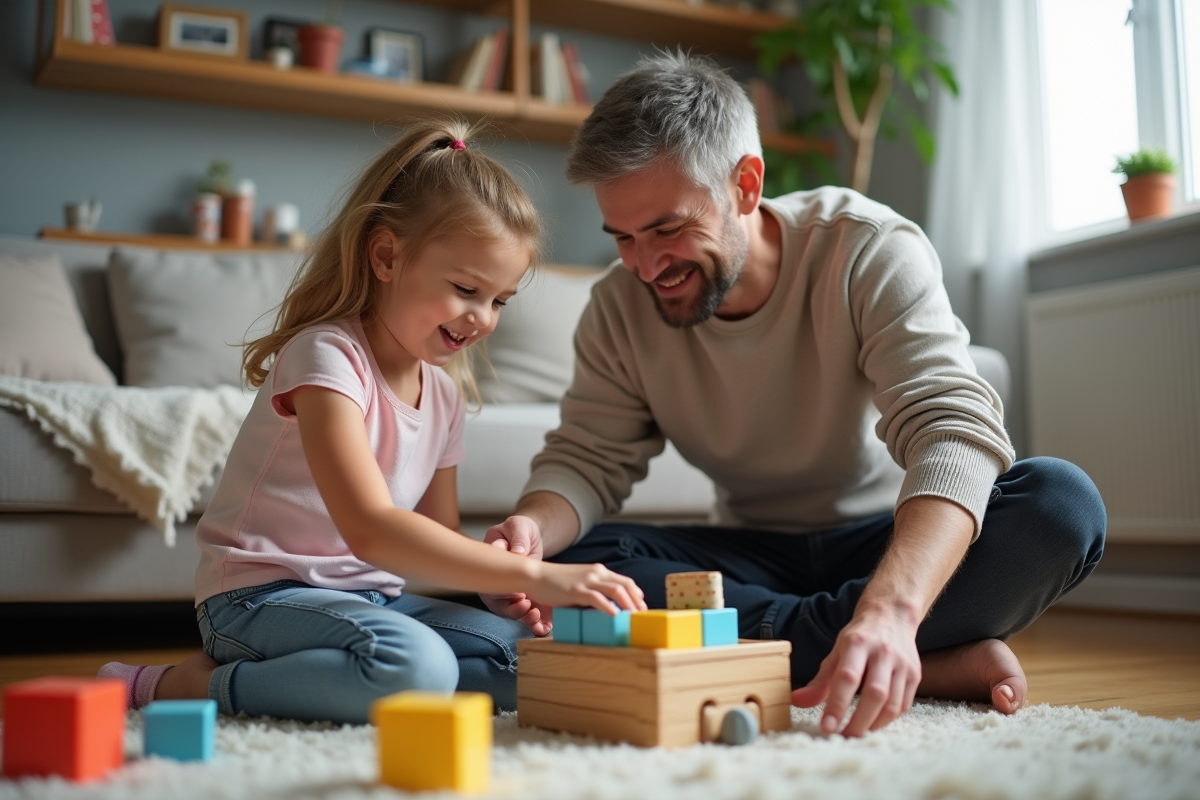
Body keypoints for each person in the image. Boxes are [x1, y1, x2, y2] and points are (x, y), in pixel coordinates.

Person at [480, 53, 1106, 738]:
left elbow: (950, 430)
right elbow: (587, 457)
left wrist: (891, 609)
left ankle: (840, 641)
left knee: (1060, 504)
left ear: (746, 185)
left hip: (883, 539)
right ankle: (927, 658)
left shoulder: (866, 248)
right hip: (748, 553)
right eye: (624, 238)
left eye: (667, 229)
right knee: (569, 564)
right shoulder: (617, 306)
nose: (646, 266)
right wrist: (534, 530)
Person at [99, 119, 645, 724]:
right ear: (386, 256)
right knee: (418, 667)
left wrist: (496, 584)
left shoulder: (443, 395)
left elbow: (432, 538)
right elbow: (373, 530)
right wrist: (538, 574)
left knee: (528, 661)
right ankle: (180, 686)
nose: (483, 318)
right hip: (258, 599)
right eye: (466, 288)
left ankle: (350, 680)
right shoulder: (326, 357)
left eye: (498, 300)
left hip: (372, 603)